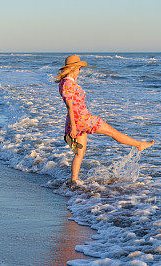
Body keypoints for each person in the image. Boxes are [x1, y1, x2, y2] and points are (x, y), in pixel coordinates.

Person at [55, 54, 154, 184]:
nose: (80, 71)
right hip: (83, 120)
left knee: (80, 153)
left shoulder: (65, 82)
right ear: (74, 68)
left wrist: (73, 125)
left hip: (77, 120)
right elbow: (70, 105)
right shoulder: (68, 84)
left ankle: (74, 180)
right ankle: (139, 144)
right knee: (113, 132)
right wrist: (73, 126)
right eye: (79, 69)